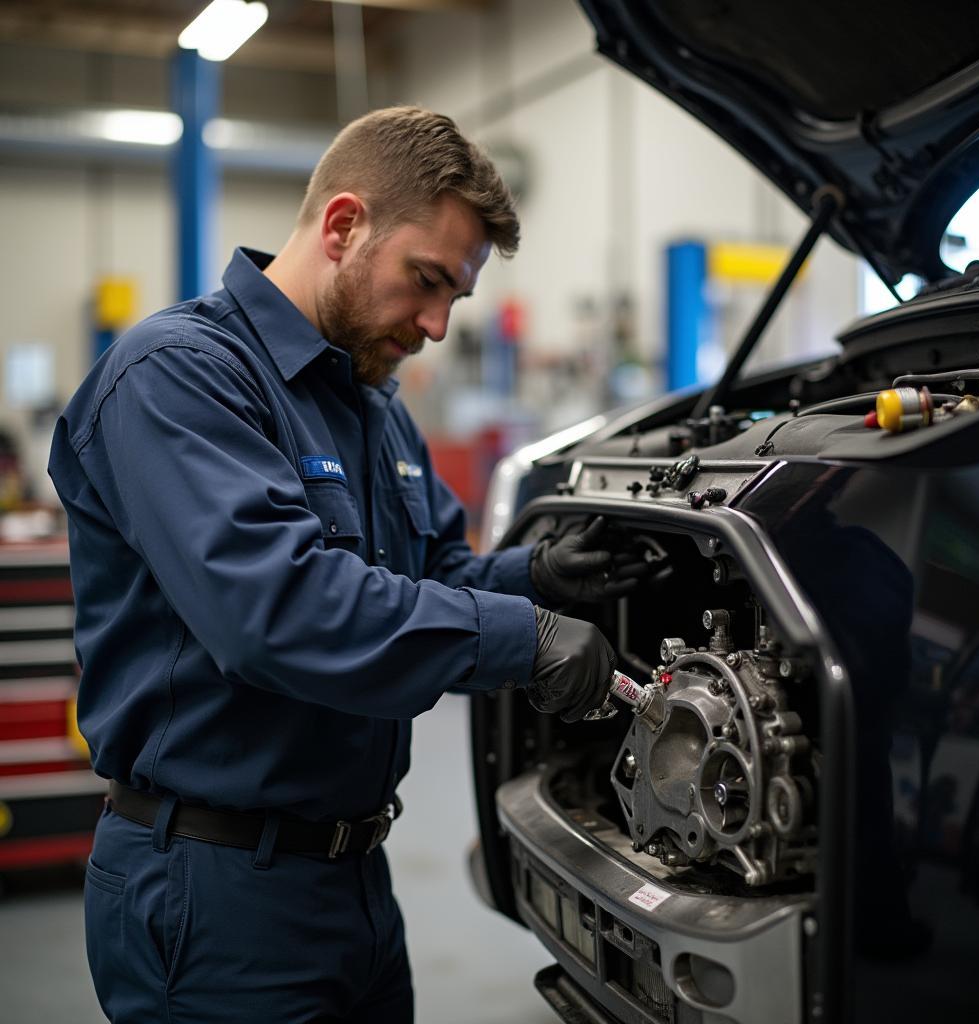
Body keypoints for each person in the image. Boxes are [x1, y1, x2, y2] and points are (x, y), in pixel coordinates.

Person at [48, 106, 648, 1023]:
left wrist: (534, 578)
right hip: (214, 893)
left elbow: (429, 572)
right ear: (343, 226)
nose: (440, 325)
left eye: (458, 296)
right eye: (427, 280)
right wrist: (521, 637)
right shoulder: (177, 375)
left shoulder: (373, 405)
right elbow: (278, 610)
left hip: (356, 881)